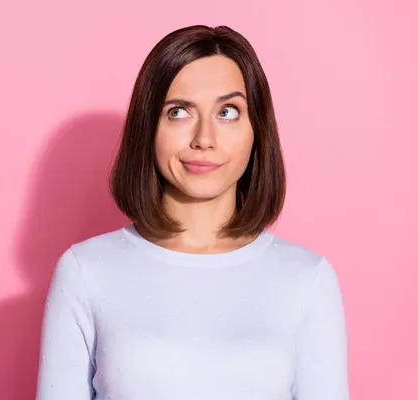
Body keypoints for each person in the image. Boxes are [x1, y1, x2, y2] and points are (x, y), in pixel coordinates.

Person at [35, 25, 349, 400]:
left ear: (257, 130)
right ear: (148, 127)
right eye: (179, 111)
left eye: (228, 112)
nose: (204, 138)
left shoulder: (308, 279)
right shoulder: (85, 271)